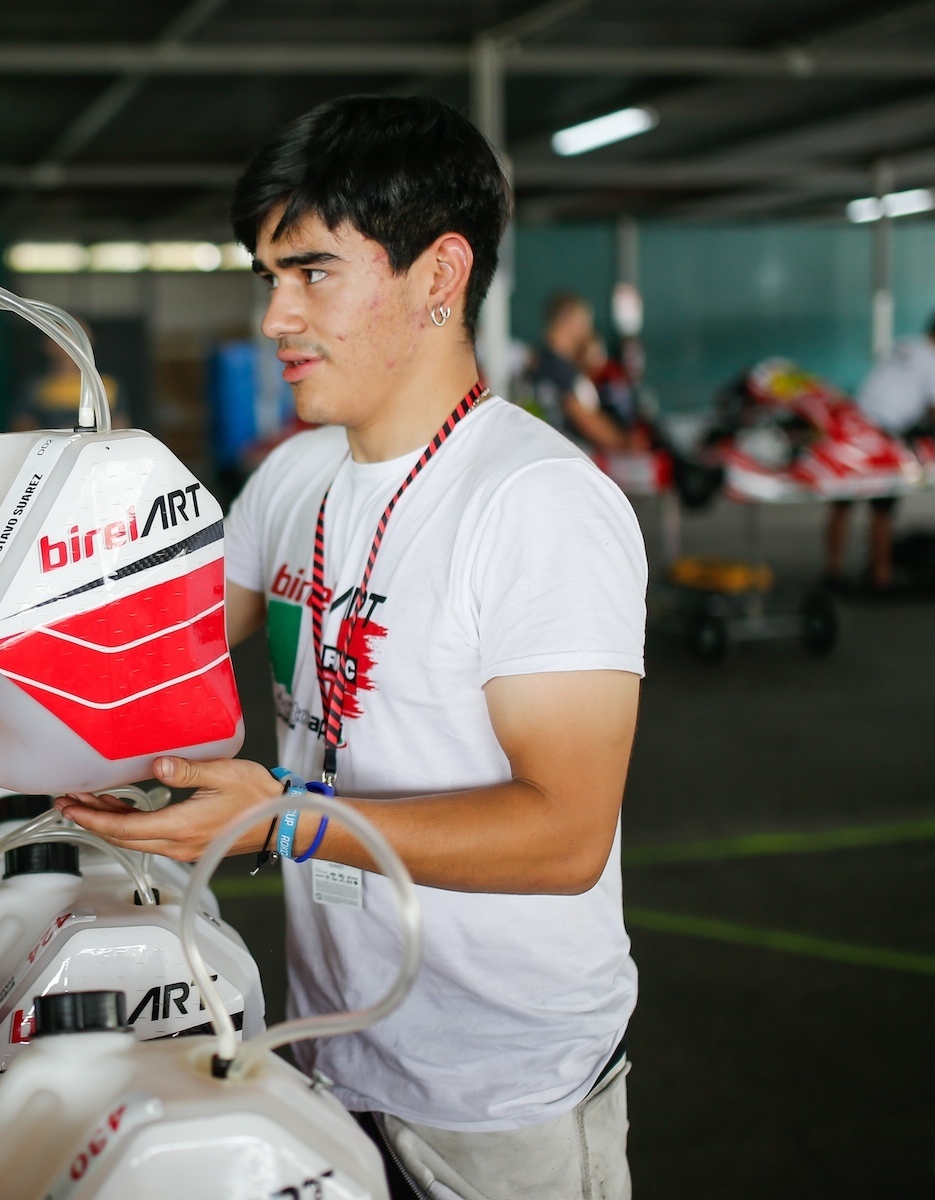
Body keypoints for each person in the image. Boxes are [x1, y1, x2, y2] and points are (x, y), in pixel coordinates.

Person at [58, 95, 645, 1200]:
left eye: (311, 273)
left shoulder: (537, 502)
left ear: (439, 275)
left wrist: (281, 815)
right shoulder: (293, 479)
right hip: (328, 1052)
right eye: (266, 275)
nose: (274, 317)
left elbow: (566, 834)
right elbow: (154, 658)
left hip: (504, 1090)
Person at [825, 315, 935, 589]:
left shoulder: (905, 346)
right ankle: (880, 575)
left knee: (842, 501)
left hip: (853, 424)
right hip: (882, 435)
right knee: (882, 506)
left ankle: (833, 569)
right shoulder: (931, 360)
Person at [531, 290, 633, 454]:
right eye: (583, 322)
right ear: (567, 321)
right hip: (566, 457)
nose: (587, 330)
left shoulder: (542, 361)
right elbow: (587, 421)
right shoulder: (557, 368)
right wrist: (624, 443)